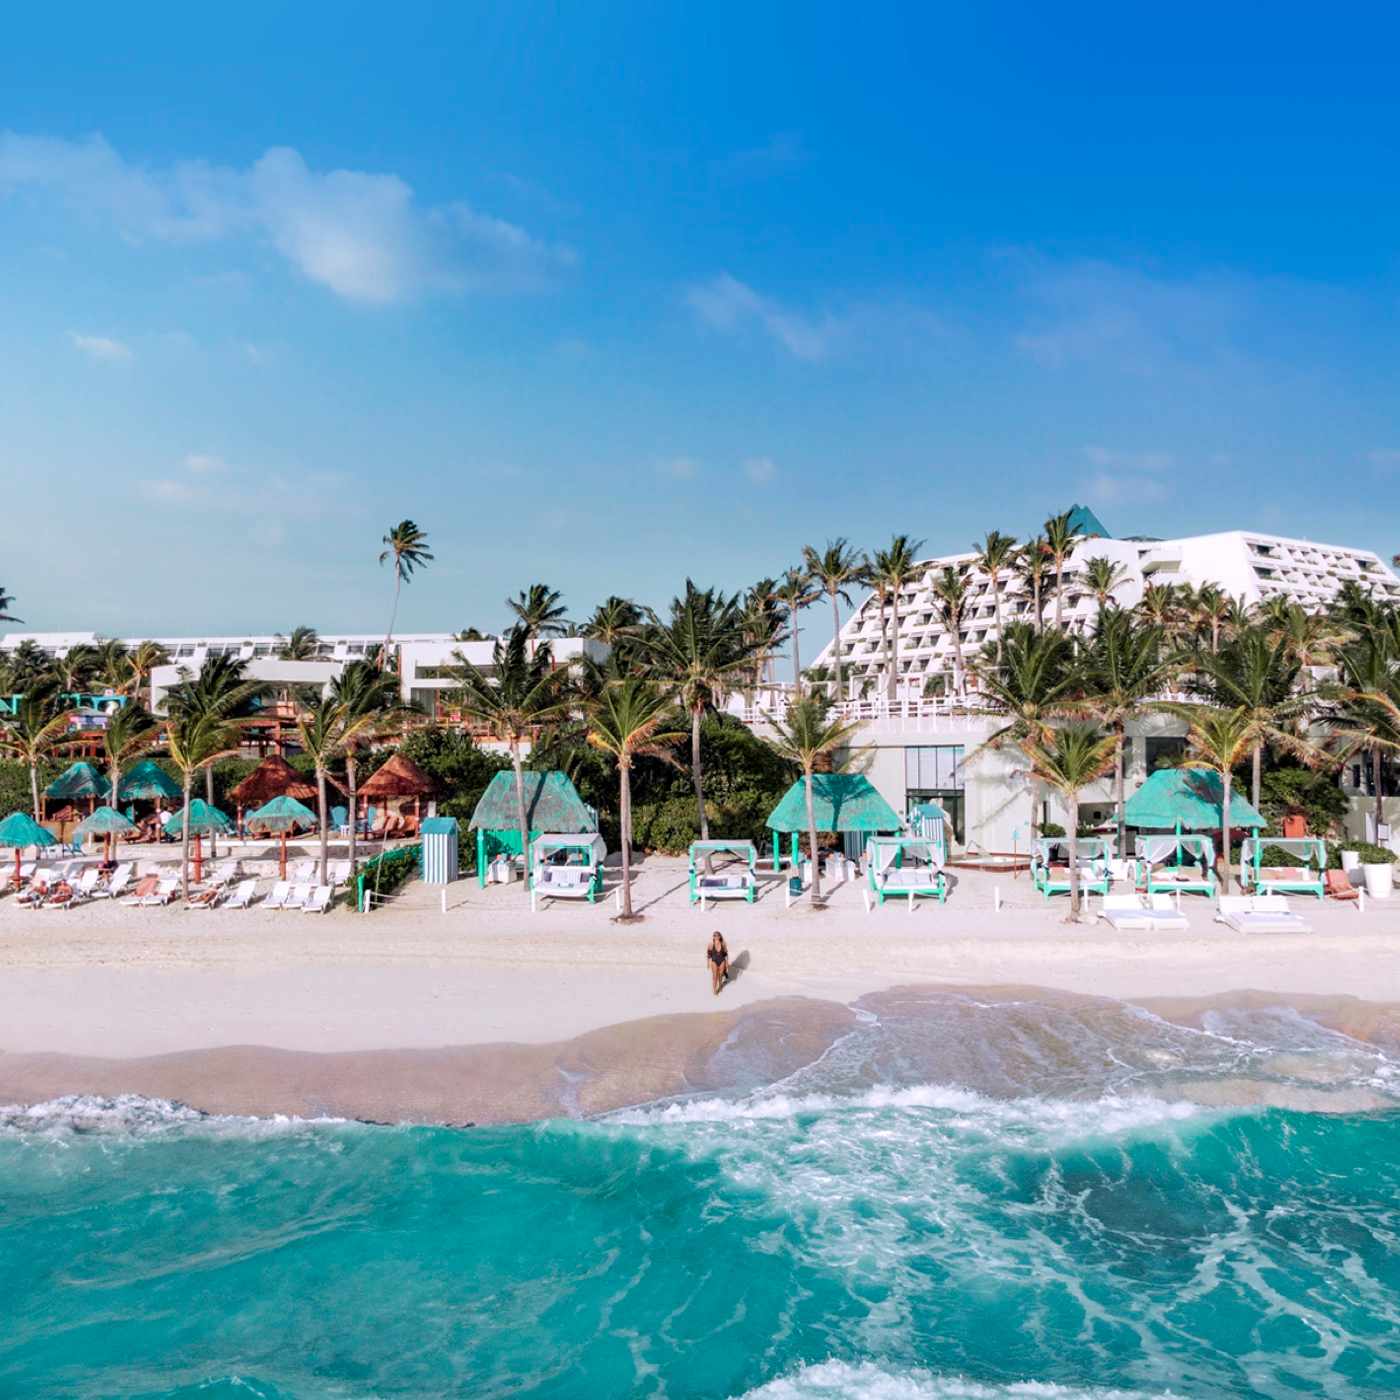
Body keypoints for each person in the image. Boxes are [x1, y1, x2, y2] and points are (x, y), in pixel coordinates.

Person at [706, 931, 730, 996]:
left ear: (720, 936)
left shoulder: (723, 944)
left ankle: (720, 985)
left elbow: (726, 954)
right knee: (714, 976)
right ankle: (714, 990)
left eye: (717, 935)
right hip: (714, 961)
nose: (715, 937)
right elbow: (708, 955)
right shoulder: (710, 944)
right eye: (714, 935)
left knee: (720, 975)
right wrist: (708, 963)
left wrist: (727, 963)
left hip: (722, 961)